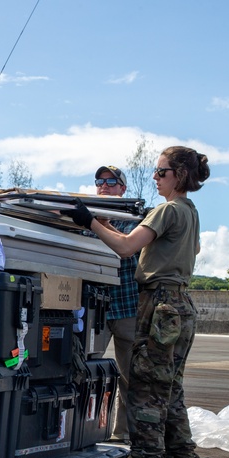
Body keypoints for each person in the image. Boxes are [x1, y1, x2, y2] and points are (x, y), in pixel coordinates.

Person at [62, 146, 207, 458]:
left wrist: (90, 221)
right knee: (169, 391)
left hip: (158, 304)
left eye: (161, 172)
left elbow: (127, 248)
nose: (156, 178)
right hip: (179, 303)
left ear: (179, 176)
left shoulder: (166, 211)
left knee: (145, 391)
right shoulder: (189, 211)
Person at [93, 165, 139, 442]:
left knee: (130, 377)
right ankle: (85, 429)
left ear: (123, 188)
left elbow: (128, 251)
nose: (105, 186)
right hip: (95, 312)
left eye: (112, 181)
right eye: (100, 181)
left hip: (127, 308)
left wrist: (100, 225)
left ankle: (122, 434)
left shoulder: (133, 221)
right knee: (83, 370)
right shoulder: (86, 221)